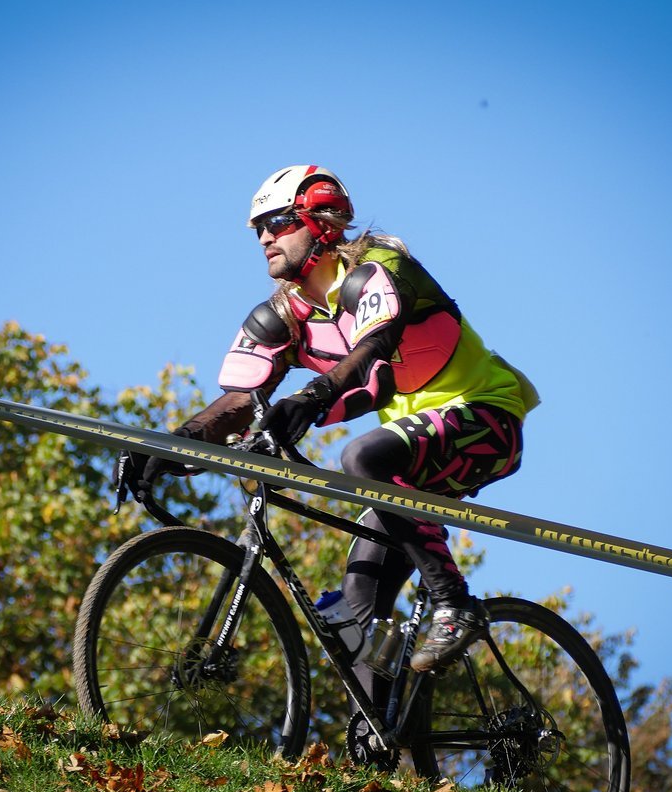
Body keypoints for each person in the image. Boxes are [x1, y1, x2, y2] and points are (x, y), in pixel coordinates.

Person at [133, 164, 537, 717]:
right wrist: (171, 447)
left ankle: (453, 603)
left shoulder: (378, 269)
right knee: (352, 612)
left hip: (485, 418)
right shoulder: (284, 313)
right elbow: (236, 404)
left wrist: (312, 397)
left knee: (360, 456)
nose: (264, 238)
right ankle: (386, 751)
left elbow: (374, 346)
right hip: (413, 450)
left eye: (276, 223)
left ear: (320, 221)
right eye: (256, 230)